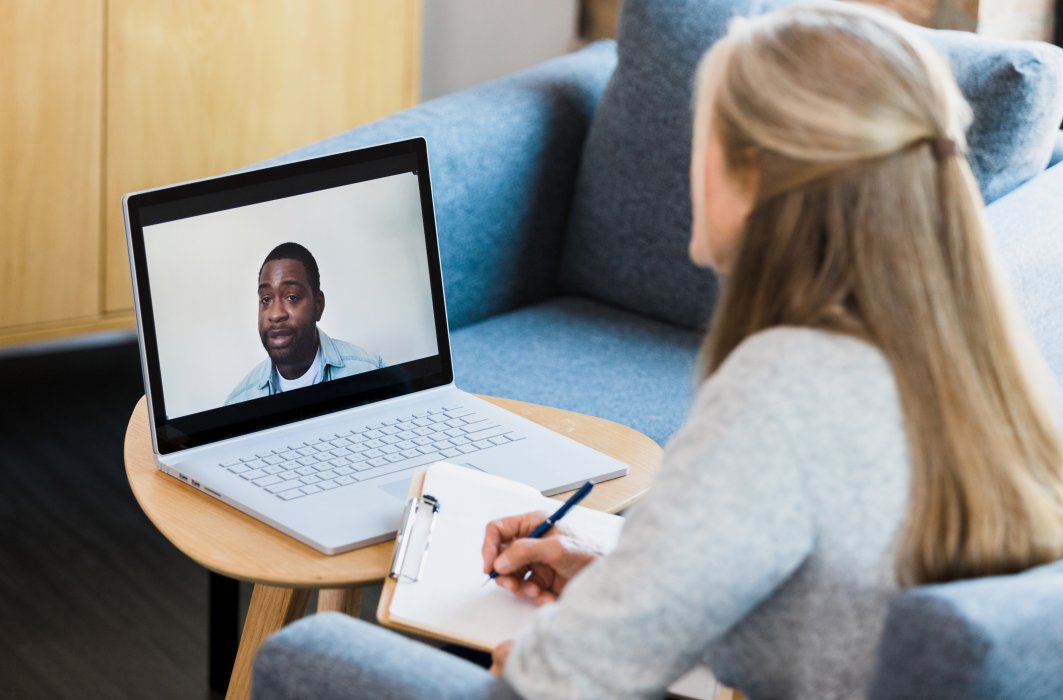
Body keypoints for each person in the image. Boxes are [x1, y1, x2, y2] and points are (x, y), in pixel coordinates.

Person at [253, 4, 1063, 699]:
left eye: (699, 133)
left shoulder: (784, 387)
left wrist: (534, 657)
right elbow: (811, 592)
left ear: (753, 173)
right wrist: (613, 567)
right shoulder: (972, 363)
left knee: (307, 655)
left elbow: (557, 681)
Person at [225, 242, 383, 405]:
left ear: (318, 305)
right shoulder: (238, 403)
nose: (276, 314)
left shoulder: (371, 372)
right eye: (266, 299)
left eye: (292, 297)